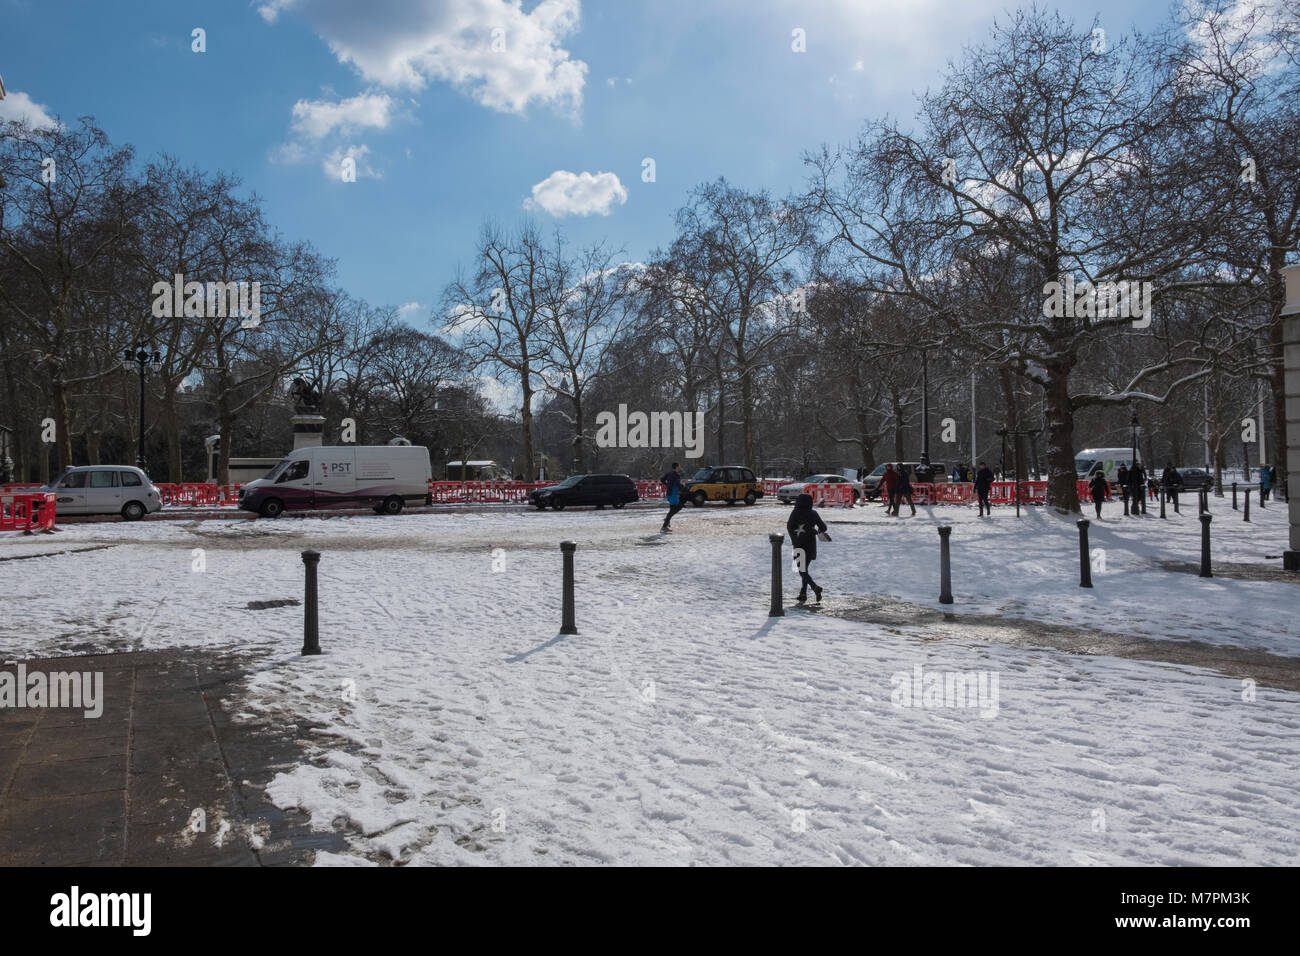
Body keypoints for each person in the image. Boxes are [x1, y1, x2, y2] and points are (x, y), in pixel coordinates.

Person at [786, 492, 828, 603]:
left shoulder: (795, 512)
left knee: (802, 570)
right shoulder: (813, 513)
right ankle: (803, 593)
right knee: (804, 570)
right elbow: (823, 527)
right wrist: (814, 530)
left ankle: (815, 588)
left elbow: (789, 526)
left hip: (798, 544)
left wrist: (794, 538)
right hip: (810, 545)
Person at [660, 462, 684, 532]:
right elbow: (678, 484)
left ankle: (667, 521)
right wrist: (683, 488)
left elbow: (662, 479)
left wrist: (667, 485)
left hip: (669, 493)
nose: (679, 467)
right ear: (676, 467)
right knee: (679, 506)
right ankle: (665, 523)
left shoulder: (669, 473)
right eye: (679, 466)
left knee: (672, 508)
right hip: (673, 494)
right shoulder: (676, 475)